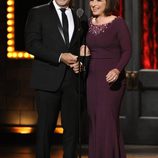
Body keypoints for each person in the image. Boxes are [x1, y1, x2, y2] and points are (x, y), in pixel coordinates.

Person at [25, 0, 88, 158]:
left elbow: (82, 47)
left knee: (72, 132)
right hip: (47, 81)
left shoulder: (79, 16)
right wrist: (60, 57)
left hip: (73, 83)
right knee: (45, 131)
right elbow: (31, 44)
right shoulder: (38, 12)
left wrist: (81, 63)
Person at [85, 0, 131, 157]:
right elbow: (85, 47)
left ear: (108, 2)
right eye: (91, 0)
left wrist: (117, 70)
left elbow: (127, 51)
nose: (93, 3)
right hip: (92, 80)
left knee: (107, 122)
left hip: (111, 80)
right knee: (95, 122)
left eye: (98, 0)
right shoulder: (87, 23)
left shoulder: (118, 23)